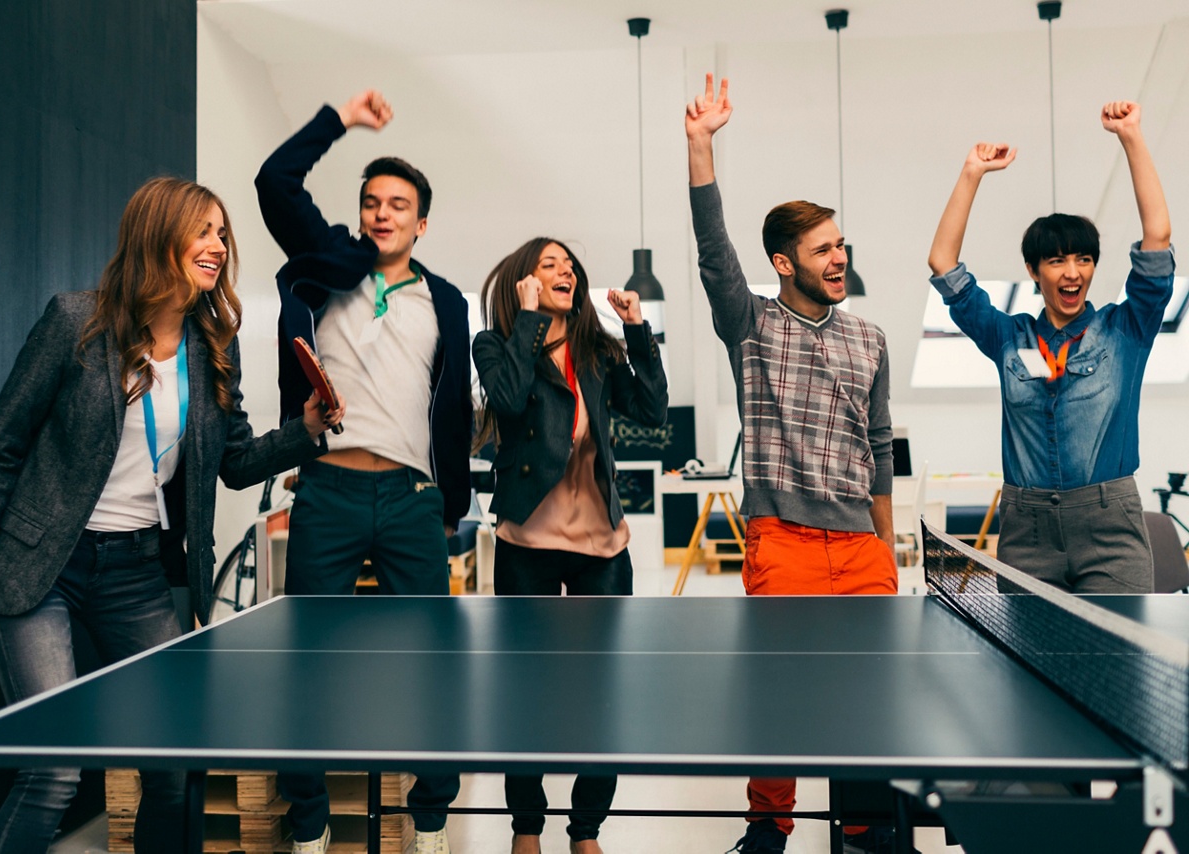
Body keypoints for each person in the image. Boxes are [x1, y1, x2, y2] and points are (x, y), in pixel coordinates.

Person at [0, 177, 340, 853]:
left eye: (223, 233)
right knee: (55, 770)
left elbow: (233, 462)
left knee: (174, 766)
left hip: (136, 571)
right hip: (43, 564)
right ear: (158, 236)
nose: (218, 245)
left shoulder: (211, 351)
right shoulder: (73, 322)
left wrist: (307, 427)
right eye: (203, 230)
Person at [684, 75, 899, 854]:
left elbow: (879, 449)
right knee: (777, 698)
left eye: (842, 245)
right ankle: (769, 827)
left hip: (863, 549)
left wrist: (886, 545)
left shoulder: (870, 339)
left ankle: (871, 825)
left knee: (873, 698)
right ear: (784, 262)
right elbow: (714, 253)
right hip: (782, 542)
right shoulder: (750, 327)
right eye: (823, 249)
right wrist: (701, 145)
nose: (839, 258)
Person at [255, 90, 470, 854]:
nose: (383, 214)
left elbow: (451, 410)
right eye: (372, 202)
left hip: (412, 498)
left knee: (436, 664)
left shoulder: (445, 300)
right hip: (330, 491)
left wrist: (452, 502)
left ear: (421, 222)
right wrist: (338, 120)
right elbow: (274, 182)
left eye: (399, 204)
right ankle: (309, 820)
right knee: (307, 662)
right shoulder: (325, 265)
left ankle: (433, 810)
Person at [927, 101, 1174, 594]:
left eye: (1084, 259)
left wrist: (1130, 136)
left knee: (1118, 664)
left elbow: (1158, 237)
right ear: (1034, 270)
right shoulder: (1007, 336)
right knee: (1031, 665)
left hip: (1111, 528)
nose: (1073, 272)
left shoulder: (1125, 328)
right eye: (1057, 260)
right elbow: (943, 263)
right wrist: (972, 172)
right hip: (1028, 530)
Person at [472, 238, 668, 854]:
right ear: (521, 281)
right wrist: (530, 323)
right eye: (549, 265)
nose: (567, 272)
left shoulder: (598, 349)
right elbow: (505, 399)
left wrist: (637, 331)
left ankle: (585, 831)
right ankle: (526, 828)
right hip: (527, 537)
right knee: (523, 692)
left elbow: (652, 409)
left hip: (601, 544)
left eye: (570, 266)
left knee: (599, 695)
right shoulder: (496, 345)